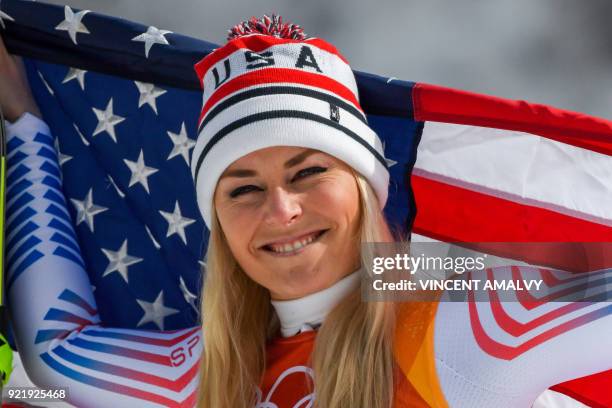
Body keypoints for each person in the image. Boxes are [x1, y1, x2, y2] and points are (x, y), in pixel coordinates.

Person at [2, 16, 611, 408]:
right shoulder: (204, 376)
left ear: (366, 186)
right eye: (242, 189)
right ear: (217, 225)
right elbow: (53, 352)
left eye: (309, 172)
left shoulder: (469, 322)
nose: (282, 210)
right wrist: (23, 127)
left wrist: (405, 272)